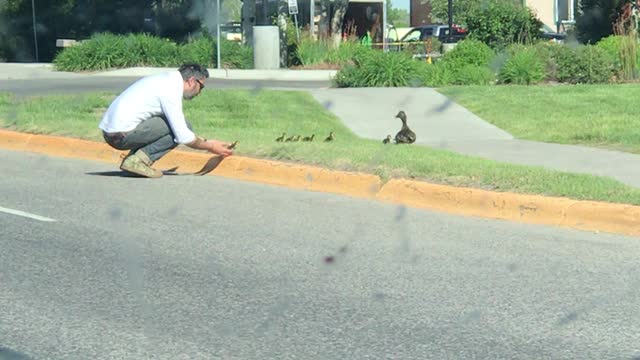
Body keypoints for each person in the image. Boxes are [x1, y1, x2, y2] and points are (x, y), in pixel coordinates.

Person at [99, 63, 233, 178]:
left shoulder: (165, 80)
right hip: (121, 135)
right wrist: (210, 146)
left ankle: (134, 160)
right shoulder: (170, 90)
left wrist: (207, 141)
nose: (200, 92)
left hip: (113, 133)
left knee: (175, 125)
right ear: (192, 81)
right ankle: (137, 161)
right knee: (184, 127)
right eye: (201, 87)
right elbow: (183, 135)